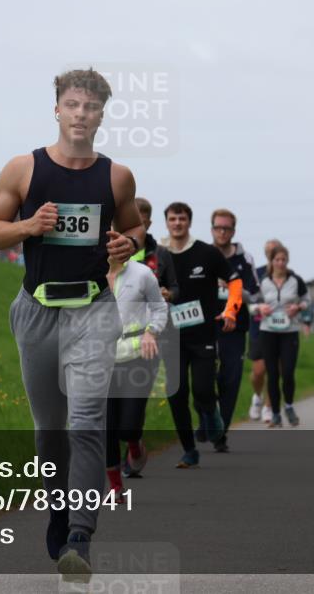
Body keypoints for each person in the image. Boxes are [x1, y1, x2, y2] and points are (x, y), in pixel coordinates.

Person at [0, 67, 146, 581]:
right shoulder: (23, 169)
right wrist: (30, 226)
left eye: (91, 107)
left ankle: (80, 533)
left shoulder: (116, 176)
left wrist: (130, 243)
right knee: (50, 431)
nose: (81, 114)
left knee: (86, 421)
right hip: (37, 310)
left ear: (101, 116)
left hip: (93, 310)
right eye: (72, 105)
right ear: (57, 110)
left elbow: (134, 224)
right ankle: (58, 507)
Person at [160, 201, 243, 469]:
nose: (177, 223)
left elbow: (235, 280)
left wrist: (231, 310)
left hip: (203, 334)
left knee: (203, 390)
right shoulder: (157, 254)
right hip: (169, 335)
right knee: (176, 394)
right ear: (167, 222)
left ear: (189, 222)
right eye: (173, 219)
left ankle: (210, 413)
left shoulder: (206, 253)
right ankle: (189, 450)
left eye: (182, 219)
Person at [104, 252, 167, 502]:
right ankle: (116, 487)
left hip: (139, 353)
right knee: (106, 427)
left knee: (128, 424)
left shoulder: (141, 273)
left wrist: (152, 332)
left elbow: (159, 308)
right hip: (101, 358)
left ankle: (133, 443)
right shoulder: (87, 273)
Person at [122, 197, 178, 477]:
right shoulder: (112, 253)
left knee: (135, 399)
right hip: (113, 340)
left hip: (151, 335)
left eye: (140, 223)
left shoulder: (161, 256)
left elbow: (175, 290)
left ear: (148, 224)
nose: (135, 229)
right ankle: (113, 464)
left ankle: (133, 441)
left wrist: (167, 293)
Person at [210, 209, 258, 452]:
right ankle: (209, 418)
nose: (222, 232)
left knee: (230, 380)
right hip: (205, 326)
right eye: (218, 227)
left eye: (226, 228)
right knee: (204, 380)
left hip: (234, 328)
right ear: (211, 229)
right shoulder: (203, 255)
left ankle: (220, 433)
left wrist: (232, 288)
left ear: (233, 231)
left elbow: (255, 293)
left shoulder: (244, 259)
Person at [251, 243, 310, 427]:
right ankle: (275, 413)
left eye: (284, 259)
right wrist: (260, 308)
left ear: (288, 260)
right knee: (273, 373)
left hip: (290, 332)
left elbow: (307, 300)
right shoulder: (263, 281)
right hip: (268, 332)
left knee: (288, 371)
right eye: (277, 259)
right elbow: (251, 306)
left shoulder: (296, 280)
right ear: (272, 261)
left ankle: (289, 406)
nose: (281, 263)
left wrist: (298, 307)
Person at [248, 238, 281, 422]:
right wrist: (258, 308)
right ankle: (257, 396)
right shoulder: (257, 274)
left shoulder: (288, 276)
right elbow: (248, 300)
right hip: (259, 327)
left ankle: (269, 406)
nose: (272, 253)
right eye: (269, 250)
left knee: (274, 369)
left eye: (275, 250)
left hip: (280, 328)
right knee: (259, 371)